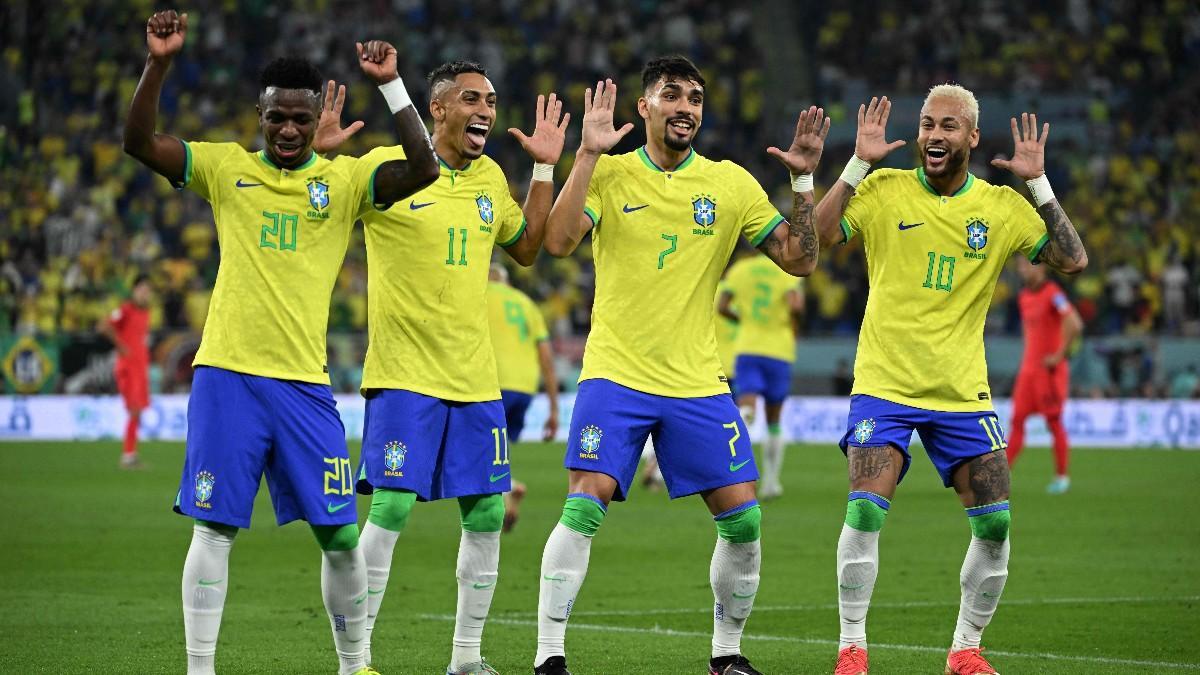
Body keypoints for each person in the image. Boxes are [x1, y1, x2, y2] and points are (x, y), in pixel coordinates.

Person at [123, 11, 438, 675]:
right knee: (213, 526)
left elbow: (425, 168)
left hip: (303, 384)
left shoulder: (345, 181)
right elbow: (139, 140)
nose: (290, 130)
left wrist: (392, 86)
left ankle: (356, 665)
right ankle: (199, 668)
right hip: (227, 376)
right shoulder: (224, 169)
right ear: (259, 116)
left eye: (300, 118)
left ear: (310, 115)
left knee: (342, 536)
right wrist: (158, 63)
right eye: (277, 119)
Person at [535, 56, 826, 675]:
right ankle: (549, 656)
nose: (686, 106)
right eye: (672, 95)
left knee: (744, 520)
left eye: (695, 97)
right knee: (585, 504)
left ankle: (726, 654)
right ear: (644, 107)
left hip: (697, 381)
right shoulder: (610, 176)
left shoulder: (730, 184)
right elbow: (555, 243)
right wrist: (585, 155)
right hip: (615, 372)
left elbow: (801, 260)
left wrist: (803, 184)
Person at [812, 87, 1087, 675]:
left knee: (995, 520)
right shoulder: (884, 190)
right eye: (928, 125)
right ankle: (851, 649)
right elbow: (820, 236)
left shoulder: (1002, 207)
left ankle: (965, 650)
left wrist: (1038, 186)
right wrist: (858, 164)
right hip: (884, 383)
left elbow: (1072, 259)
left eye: (949, 127)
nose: (935, 136)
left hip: (961, 391)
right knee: (865, 508)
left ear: (972, 139)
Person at [317, 61, 567, 674]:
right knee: (392, 506)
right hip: (403, 375)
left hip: (475, 380)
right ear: (438, 109)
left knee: (485, 510)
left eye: (492, 99)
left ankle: (465, 659)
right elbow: (319, 211)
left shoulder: (489, 176)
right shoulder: (384, 168)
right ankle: (356, 662)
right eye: (472, 99)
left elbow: (529, 248)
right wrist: (319, 166)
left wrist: (542, 168)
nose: (486, 109)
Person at [719, 250, 805, 499]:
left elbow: (722, 306)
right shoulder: (787, 269)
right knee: (774, 420)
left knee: (746, 407)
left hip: (748, 347)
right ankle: (771, 482)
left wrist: (743, 321)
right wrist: (793, 324)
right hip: (779, 350)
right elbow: (795, 304)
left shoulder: (739, 270)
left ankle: (734, 472)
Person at [485, 262, 560, 532]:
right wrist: (554, 410)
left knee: (471, 447)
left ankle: (509, 487)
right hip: (524, 389)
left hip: (490, 384)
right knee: (496, 447)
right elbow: (547, 360)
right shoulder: (527, 304)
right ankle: (505, 489)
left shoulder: (478, 294)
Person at [1006, 255, 1083, 494]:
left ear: (1041, 268)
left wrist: (1059, 355)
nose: (1022, 269)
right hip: (1028, 371)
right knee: (1016, 421)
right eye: (1019, 266)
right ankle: (1001, 475)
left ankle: (1062, 477)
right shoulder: (1024, 296)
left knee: (1053, 422)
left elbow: (1075, 323)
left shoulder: (1053, 293)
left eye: (1026, 265)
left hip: (1048, 371)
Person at [98, 274, 153, 469]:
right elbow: (104, 327)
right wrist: (121, 346)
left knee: (136, 412)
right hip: (128, 367)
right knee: (134, 410)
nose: (146, 294)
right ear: (134, 291)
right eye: (143, 290)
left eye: (148, 291)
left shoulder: (146, 312)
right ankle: (128, 456)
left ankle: (130, 454)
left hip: (140, 368)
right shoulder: (125, 310)